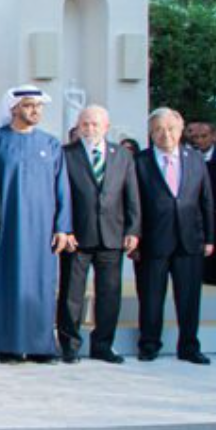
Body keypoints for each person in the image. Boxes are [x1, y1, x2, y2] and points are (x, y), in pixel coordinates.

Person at [0, 85, 72, 364]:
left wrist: (62, 228)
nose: (35, 111)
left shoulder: (51, 144)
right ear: (14, 108)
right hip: (5, 227)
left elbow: (62, 189)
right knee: (4, 284)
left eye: (39, 106)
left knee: (41, 285)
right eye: (29, 105)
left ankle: (40, 346)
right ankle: (7, 346)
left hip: (42, 229)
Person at [56, 105, 139, 364]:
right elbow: (59, 196)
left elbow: (132, 195)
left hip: (112, 236)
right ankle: (70, 345)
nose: (90, 129)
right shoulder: (66, 154)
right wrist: (64, 229)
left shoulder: (122, 156)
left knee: (109, 293)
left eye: (95, 124)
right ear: (78, 127)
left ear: (106, 127)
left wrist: (133, 230)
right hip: (77, 237)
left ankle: (103, 345)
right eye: (85, 124)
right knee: (72, 294)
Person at [134, 107, 215, 365]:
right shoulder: (140, 161)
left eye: (170, 128)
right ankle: (149, 344)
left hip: (189, 240)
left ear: (181, 131)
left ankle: (189, 346)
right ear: (150, 133)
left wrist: (210, 239)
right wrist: (133, 237)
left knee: (190, 298)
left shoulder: (195, 159)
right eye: (158, 129)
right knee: (150, 297)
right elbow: (132, 204)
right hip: (152, 241)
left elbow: (206, 201)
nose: (165, 134)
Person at [185, 121, 216, 286]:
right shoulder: (186, 159)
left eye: (203, 136)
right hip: (191, 218)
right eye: (195, 137)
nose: (199, 140)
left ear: (214, 137)